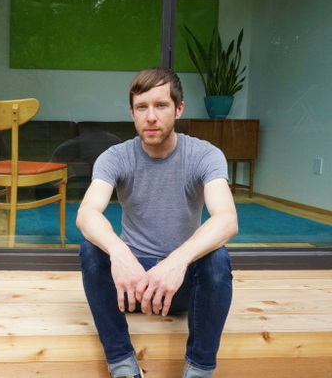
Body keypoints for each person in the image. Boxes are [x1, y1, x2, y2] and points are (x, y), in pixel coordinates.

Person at [76, 67, 238, 378]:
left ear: (179, 109)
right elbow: (87, 213)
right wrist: (121, 255)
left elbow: (227, 219)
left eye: (161, 106)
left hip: (180, 287)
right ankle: (122, 364)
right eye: (142, 107)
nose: (151, 117)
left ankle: (199, 370)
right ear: (132, 112)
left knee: (217, 257)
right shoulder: (116, 157)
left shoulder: (204, 155)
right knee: (91, 249)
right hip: (131, 286)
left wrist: (176, 261)